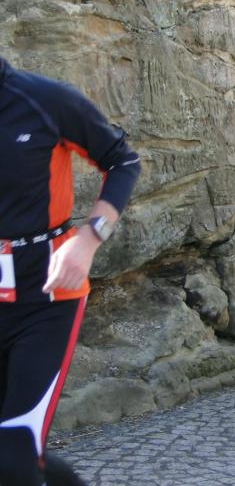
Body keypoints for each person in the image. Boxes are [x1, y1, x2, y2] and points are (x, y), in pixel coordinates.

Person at [0, 56, 141, 486]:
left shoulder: (43, 99)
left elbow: (122, 162)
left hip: (45, 301)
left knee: (14, 455)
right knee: (17, 458)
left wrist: (88, 238)